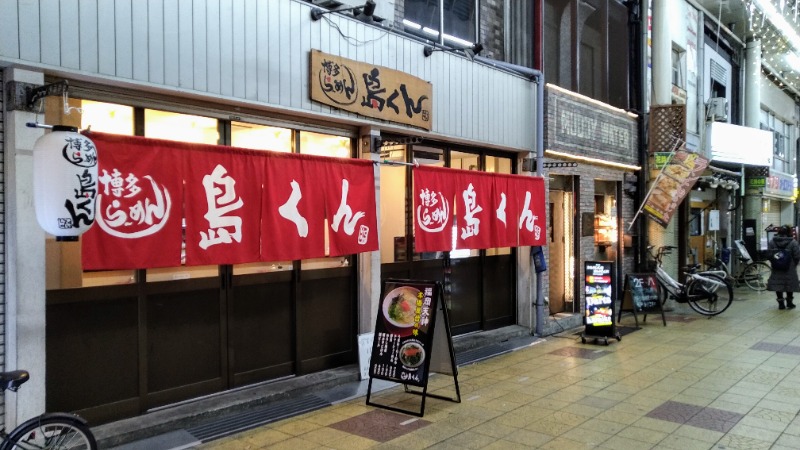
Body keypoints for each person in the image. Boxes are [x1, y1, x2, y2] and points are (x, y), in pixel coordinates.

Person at [766, 225, 800, 310]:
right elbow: (797, 255)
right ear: (789, 232)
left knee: (778, 284)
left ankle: (781, 304)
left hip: (777, 267)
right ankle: (789, 302)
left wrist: (775, 262)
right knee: (789, 284)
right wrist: (793, 264)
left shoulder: (772, 242)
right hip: (789, 267)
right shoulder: (793, 242)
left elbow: (769, 254)